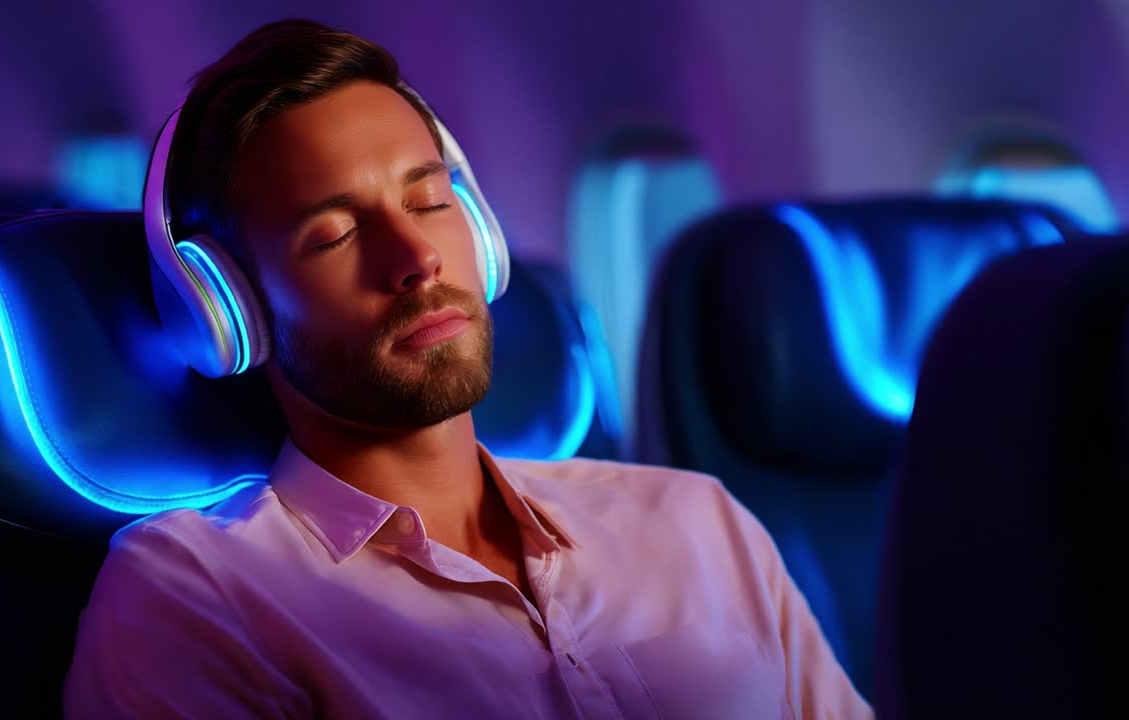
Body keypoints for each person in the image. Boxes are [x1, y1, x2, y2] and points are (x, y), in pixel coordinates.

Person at [64, 18, 871, 720]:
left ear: (480, 231)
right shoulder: (199, 597)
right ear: (230, 307)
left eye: (429, 202)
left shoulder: (695, 522)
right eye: (336, 233)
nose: (416, 259)